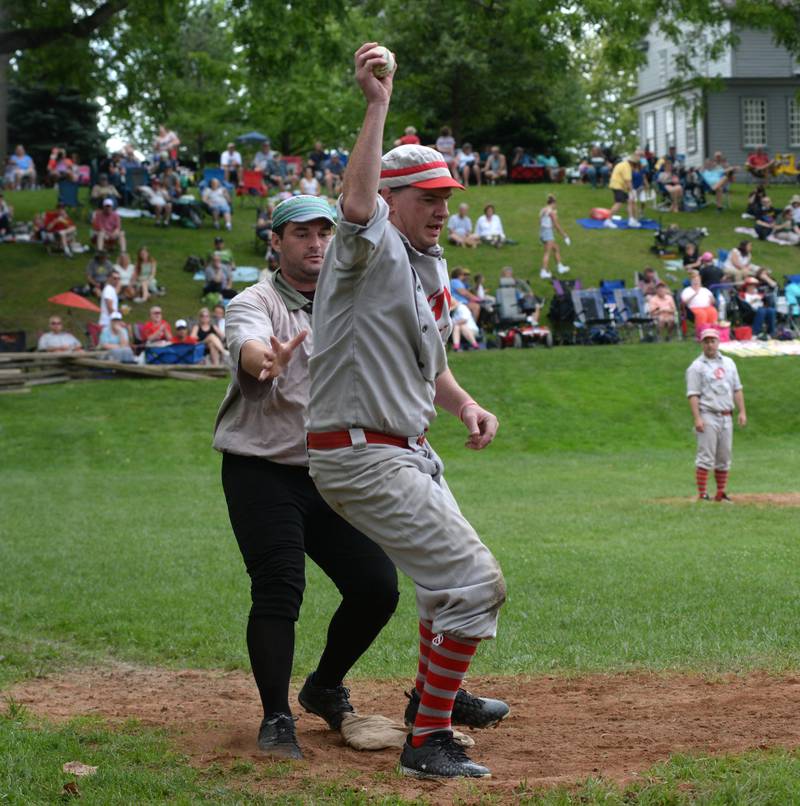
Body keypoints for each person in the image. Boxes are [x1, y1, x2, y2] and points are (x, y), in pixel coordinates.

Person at [306, 42, 508, 781]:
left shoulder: (430, 263)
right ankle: (426, 743)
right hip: (359, 452)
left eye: (448, 196)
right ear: (393, 201)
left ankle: (435, 695)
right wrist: (376, 104)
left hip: (402, 445)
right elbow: (354, 205)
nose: (442, 208)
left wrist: (463, 404)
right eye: (428, 197)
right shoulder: (366, 247)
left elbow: (431, 364)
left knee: (441, 585)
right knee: (476, 582)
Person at [213, 194, 400, 760]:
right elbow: (249, 341)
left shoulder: (348, 300)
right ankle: (276, 719)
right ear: (276, 242)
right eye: (301, 234)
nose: (316, 243)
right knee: (279, 588)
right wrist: (261, 360)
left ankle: (322, 686)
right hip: (260, 471)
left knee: (376, 587)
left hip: (329, 471)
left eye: (325, 232)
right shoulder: (257, 300)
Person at [686, 329, 746, 502]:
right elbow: (693, 394)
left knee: (724, 455)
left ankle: (721, 492)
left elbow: (737, 388)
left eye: (713, 341)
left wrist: (742, 411)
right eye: (706, 341)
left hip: (726, 414)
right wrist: (697, 418)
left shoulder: (729, 363)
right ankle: (703, 493)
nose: (710, 344)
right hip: (708, 414)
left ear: (718, 342)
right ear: (701, 344)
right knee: (706, 455)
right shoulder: (696, 367)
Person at [538, 194, 570, 279]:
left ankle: (560, 267)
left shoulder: (543, 209)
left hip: (542, 232)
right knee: (547, 252)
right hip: (547, 232)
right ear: (554, 203)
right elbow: (556, 225)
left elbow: (540, 221)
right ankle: (543, 272)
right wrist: (565, 236)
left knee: (556, 248)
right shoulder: (551, 212)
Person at [604, 154, 641, 229]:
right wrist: (632, 192)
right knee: (618, 203)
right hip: (617, 186)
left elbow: (625, 180)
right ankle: (608, 221)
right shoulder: (627, 167)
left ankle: (631, 220)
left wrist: (629, 191)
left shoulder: (623, 164)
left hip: (617, 185)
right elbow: (628, 181)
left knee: (630, 201)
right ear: (634, 164)